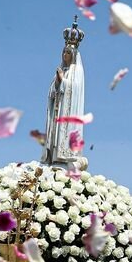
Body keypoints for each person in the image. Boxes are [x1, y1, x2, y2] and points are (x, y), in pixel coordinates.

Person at [41, 19, 86, 166]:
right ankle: (53, 156)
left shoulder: (76, 71)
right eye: (64, 52)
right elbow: (51, 92)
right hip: (57, 110)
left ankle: (64, 155)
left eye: (68, 53)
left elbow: (76, 89)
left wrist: (63, 82)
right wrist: (57, 83)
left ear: (73, 54)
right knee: (55, 133)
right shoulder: (61, 70)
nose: (65, 55)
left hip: (67, 111)